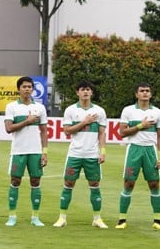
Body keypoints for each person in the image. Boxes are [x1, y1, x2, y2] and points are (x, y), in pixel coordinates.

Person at [52, 81, 108, 229]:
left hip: (92, 155)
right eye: (82, 90)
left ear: (91, 93)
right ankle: (62, 217)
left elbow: (102, 133)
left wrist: (102, 152)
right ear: (77, 92)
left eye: (88, 89)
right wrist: (85, 122)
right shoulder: (70, 110)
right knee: (69, 183)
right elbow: (67, 130)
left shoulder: (99, 111)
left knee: (95, 185)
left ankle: (97, 218)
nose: (85, 92)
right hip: (75, 154)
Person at [115, 82, 160, 230]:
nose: (145, 93)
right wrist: (140, 126)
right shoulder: (128, 111)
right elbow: (122, 132)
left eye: (147, 91)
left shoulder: (157, 112)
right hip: (134, 150)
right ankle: (122, 219)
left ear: (151, 94)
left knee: (154, 184)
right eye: (142, 91)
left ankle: (157, 220)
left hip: (150, 150)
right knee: (129, 183)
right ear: (136, 94)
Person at [4, 76, 48, 227]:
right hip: (18, 150)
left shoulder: (40, 108)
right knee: (15, 181)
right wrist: (27, 121)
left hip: (35, 151)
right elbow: (9, 128)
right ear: (18, 89)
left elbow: (43, 131)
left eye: (30, 86)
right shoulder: (12, 107)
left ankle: (35, 217)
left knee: (36, 181)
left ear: (33, 89)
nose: (27, 89)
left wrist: (45, 152)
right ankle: (12, 216)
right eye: (24, 86)